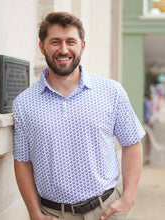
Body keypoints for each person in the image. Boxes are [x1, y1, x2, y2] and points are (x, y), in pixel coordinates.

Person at [13, 12, 145, 220]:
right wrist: (34, 213)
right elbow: (22, 161)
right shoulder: (24, 103)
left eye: (71, 42)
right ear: (42, 47)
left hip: (107, 210)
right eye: (55, 42)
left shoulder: (111, 91)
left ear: (82, 46)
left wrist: (128, 196)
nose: (63, 50)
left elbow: (132, 143)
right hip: (54, 214)